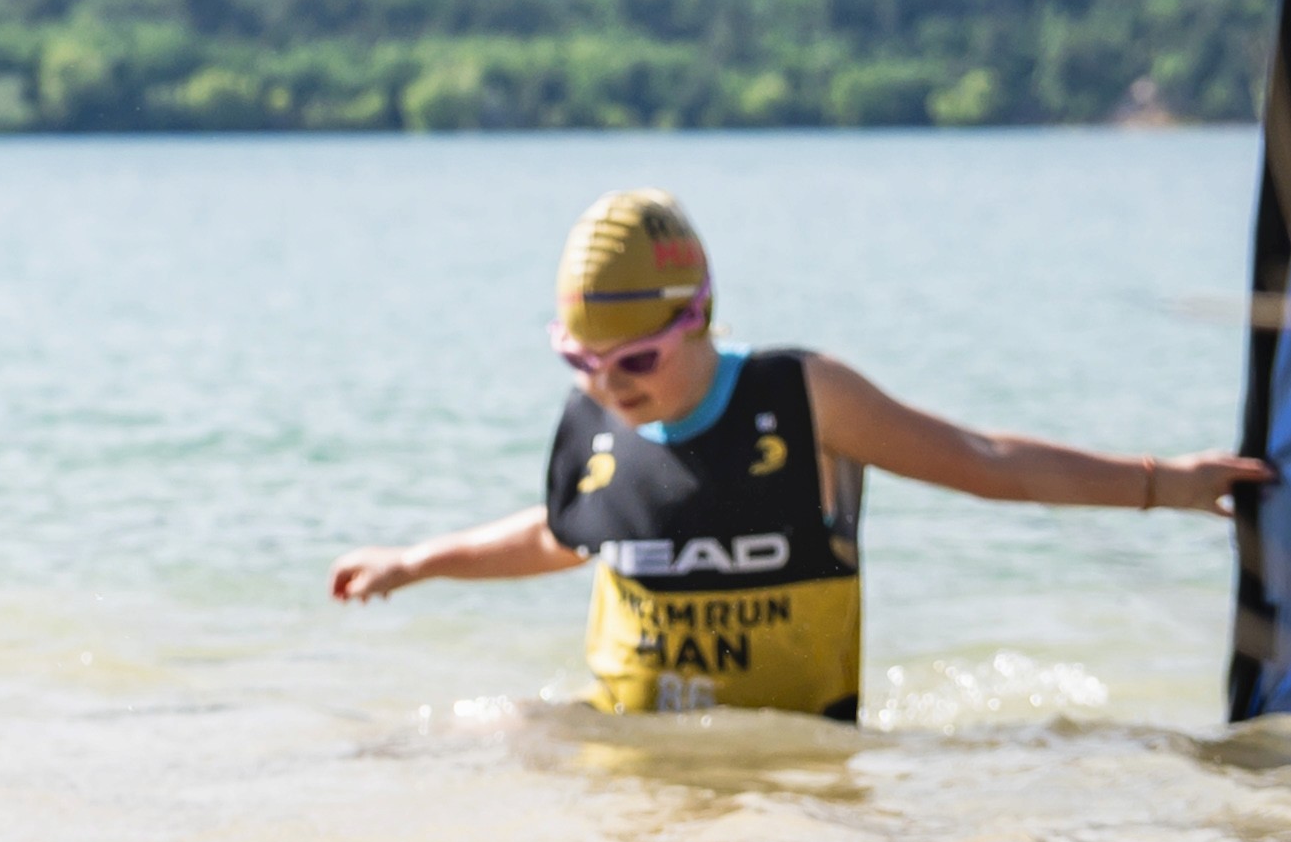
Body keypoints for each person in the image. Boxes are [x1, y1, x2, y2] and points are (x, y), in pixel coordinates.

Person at [327, 188, 1258, 719]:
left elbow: (979, 461)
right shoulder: (595, 418)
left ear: (697, 314)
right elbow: (565, 536)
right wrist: (416, 563)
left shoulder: (803, 399)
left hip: (798, 756)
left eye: (636, 359)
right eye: (579, 360)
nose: (608, 383)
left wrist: (1157, 485)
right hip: (632, 754)